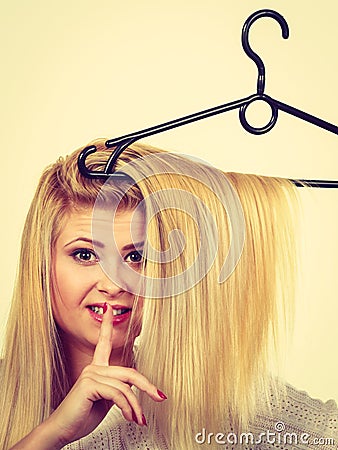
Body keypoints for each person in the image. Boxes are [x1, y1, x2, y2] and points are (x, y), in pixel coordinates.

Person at [0, 139, 336, 449]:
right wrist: (54, 433)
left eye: (138, 257)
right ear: (42, 265)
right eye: (86, 255)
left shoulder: (214, 403)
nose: (115, 284)